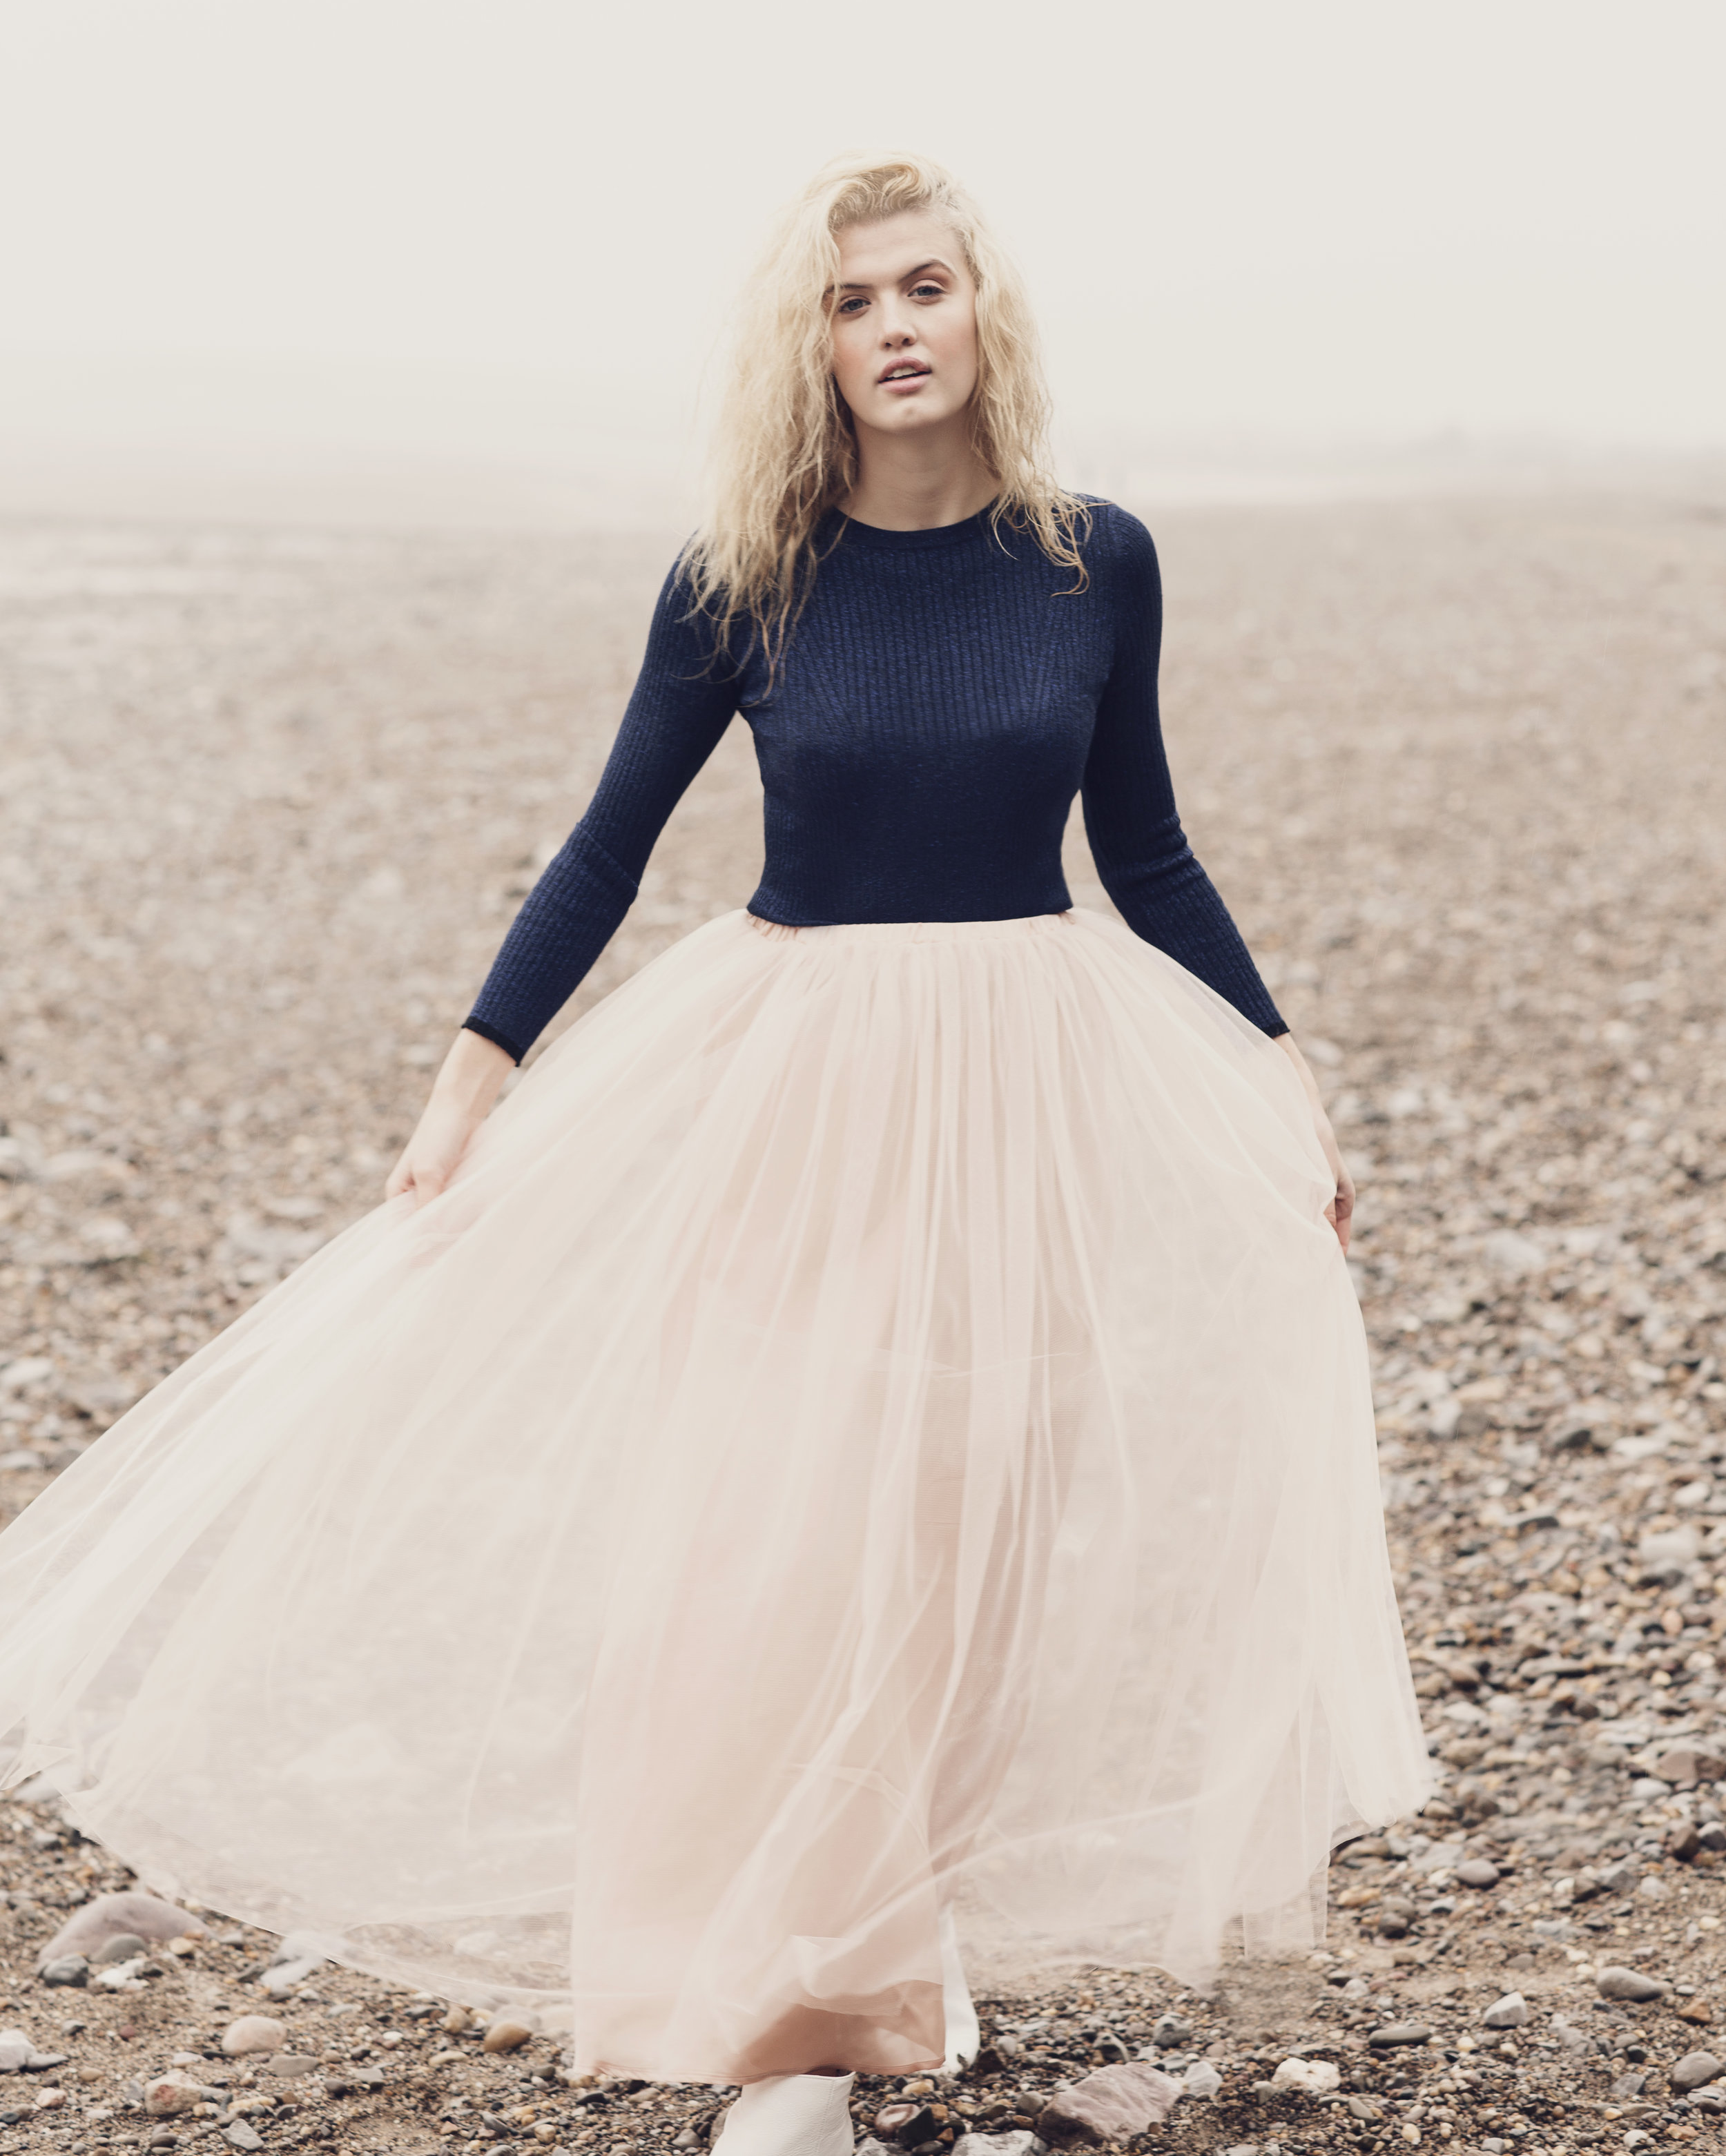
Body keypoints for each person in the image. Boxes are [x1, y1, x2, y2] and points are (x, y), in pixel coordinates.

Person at [0, 155, 1429, 2156]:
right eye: (853, 303)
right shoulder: (737, 577)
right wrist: (473, 1072)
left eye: (925, 286)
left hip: (1026, 1085)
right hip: (799, 1082)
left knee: (957, 1544)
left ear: (981, 312)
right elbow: (608, 844)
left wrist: (1277, 1066)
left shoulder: (1095, 559)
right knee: (783, 1534)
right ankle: (793, 2028)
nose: (896, 327)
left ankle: (875, 1940)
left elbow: (1150, 850)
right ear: (812, 344)